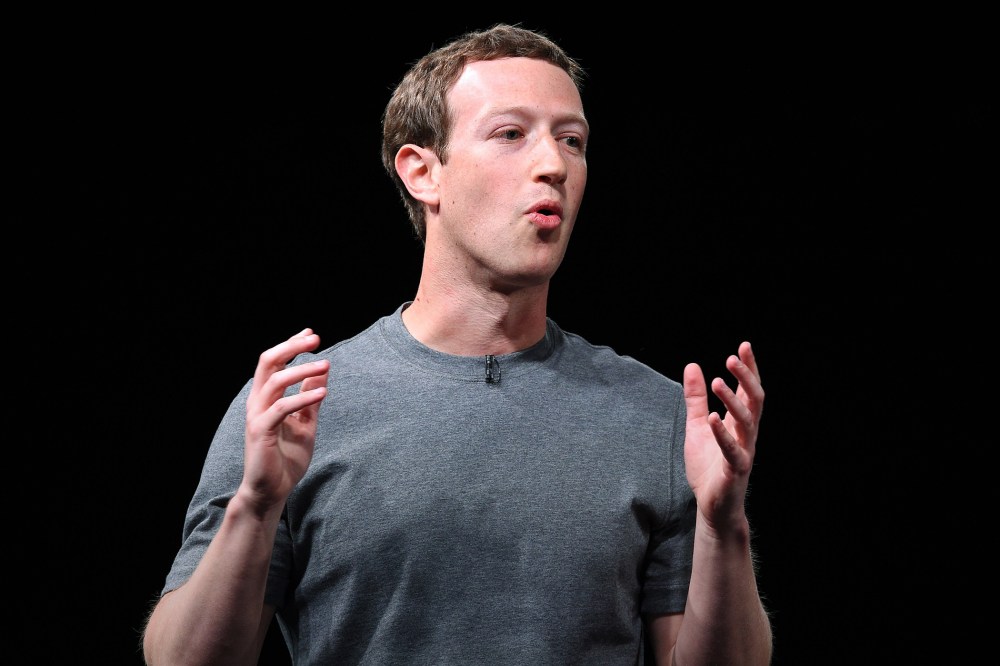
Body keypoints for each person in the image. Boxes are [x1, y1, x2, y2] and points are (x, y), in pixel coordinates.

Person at [141, 23, 773, 665]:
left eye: (572, 140)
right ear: (423, 172)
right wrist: (255, 507)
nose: (553, 164)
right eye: (510, 134)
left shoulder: (659, 415)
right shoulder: (298, 406)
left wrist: (726, 529)